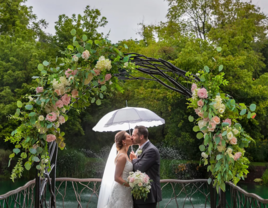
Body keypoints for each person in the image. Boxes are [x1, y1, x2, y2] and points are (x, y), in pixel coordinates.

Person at [130, 125, 162, 208]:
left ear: (141, 136)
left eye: (134, 135)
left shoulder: (151, 150)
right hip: (139, 195)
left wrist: (134, 159)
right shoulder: (140, 149)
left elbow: (139, 168)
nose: (131, 137)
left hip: (148, 195)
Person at [105, 131, 134, 208]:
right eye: (128, 137)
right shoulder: (122, 157)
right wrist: (130, 185)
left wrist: (133, 160)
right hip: (121, 192)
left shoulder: (126, 155)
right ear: (123, 141)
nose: (131, 138)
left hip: (126, 192)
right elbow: (117, 177)